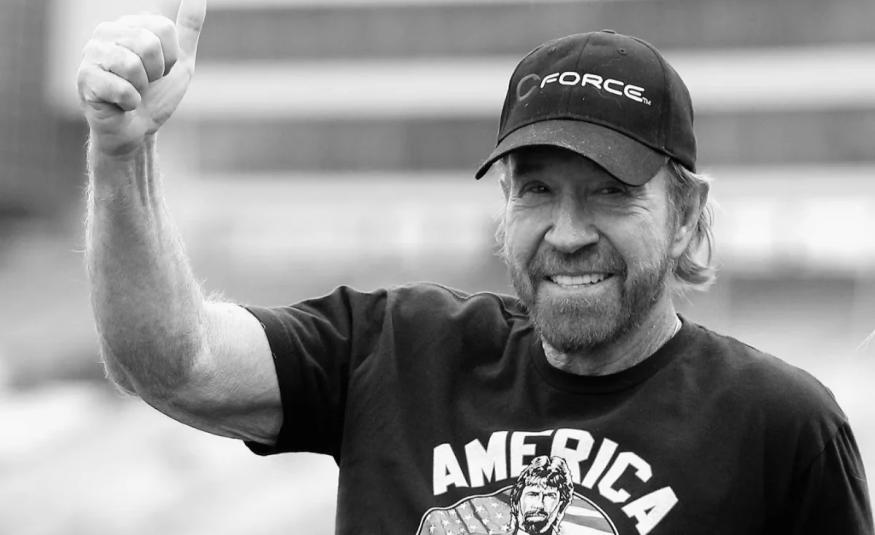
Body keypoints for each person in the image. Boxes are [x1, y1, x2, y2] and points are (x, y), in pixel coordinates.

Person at [78, 1, 873, 534]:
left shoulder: (778, 426)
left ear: (686, 214)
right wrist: (122, 151)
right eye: (536, 190)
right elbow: (173, 362)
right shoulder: (395, 350)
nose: (567, 232)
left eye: (611, 192)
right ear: (504, 204)